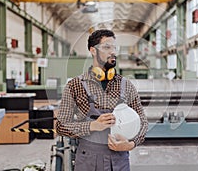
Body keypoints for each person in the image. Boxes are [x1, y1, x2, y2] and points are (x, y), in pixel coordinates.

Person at [56, 29, 148, 171]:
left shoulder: (126, 85)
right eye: (107, 47)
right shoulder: (75, 85)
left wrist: (131, 144)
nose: (113, 52)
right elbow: (61, 126)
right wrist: (92, 126)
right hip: (87, 161)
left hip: (119, 160)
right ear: (93, 50)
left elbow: (142, 121)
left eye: (114, 47)